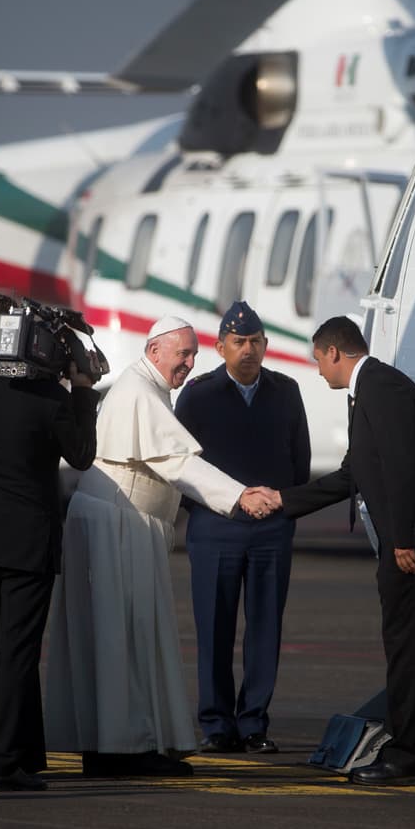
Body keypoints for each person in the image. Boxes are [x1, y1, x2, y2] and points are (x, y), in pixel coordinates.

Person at [45, 316, 274, 778]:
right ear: (154, 352)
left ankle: (111, 743)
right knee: (122, 636)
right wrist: (238, 495)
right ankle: (125, 747)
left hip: (123, 523)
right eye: (182, 354)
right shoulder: (138, 391)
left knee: (117, 636)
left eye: (193, 355)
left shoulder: (145, 388)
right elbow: (177, 464)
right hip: (119, 524)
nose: (190, 363)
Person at [253, 317, 415, 786]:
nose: (319, 371)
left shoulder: (381, 388)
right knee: (406, 650)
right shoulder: (368, 392)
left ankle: (409, 756)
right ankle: (412, 748)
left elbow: (406, 468)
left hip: (414, 548)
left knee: (412, 653)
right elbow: (352, 475)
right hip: (402, 546)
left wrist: (404, 537)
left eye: (320, 360)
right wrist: (285, 499)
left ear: (336, 353)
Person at [0, 293, 100, 793]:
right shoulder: (46, 396)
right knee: (16, 654)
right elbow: (82, 456)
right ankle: (3, 764)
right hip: (27, 541)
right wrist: (80, 389)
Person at [174, 301, 310, 755]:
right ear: (221, 348)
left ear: (266, 346)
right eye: (239, 342)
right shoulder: (198, 395)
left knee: (265, 627)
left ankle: (253, 723)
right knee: (214, 627)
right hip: (217, 528)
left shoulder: (286, 391)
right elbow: (183, 465)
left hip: (271, 529)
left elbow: (300, 462)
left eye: (255, 342)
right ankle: (216, 724)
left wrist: (279, 507)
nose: (248, 350)